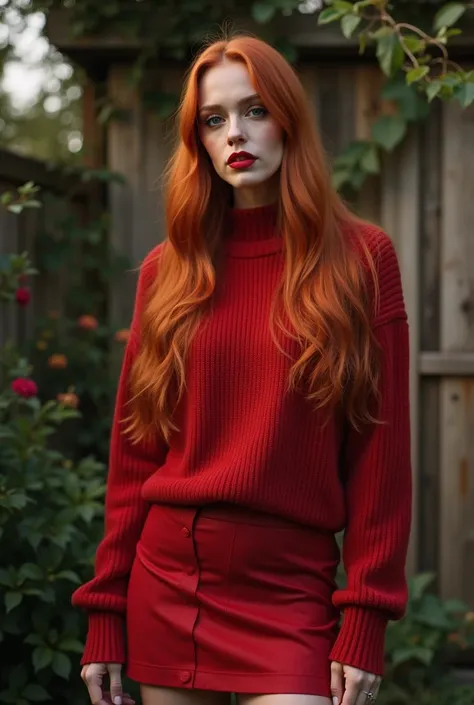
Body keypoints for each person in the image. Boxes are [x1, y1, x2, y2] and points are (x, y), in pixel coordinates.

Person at [72, 33, 412, 705]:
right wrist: (105, 612)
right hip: (166, 581)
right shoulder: (165, 273)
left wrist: (365, 619)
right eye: (214, 118)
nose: (236, 133)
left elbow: (381, 455)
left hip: (291, 590)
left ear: (289, 118)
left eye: (255, 110)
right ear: (197, 139)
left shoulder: (362, 261)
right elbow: (136, 451)